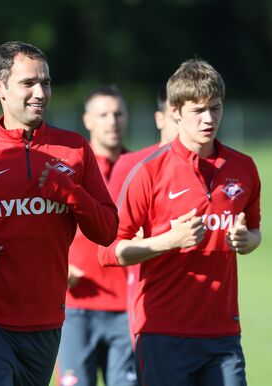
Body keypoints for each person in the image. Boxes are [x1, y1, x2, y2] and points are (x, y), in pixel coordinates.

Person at [0, 41, 118, 386]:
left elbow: (107, 231)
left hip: (45, 320)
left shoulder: (74, 149)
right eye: (28, 84)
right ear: (0, 88)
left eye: (46, 82)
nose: (40, 93)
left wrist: (71, 193)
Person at [99, 59, 261, 386]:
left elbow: (255, 231)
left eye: (216, 108)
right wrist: (169, 241)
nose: (209, 119)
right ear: (175, 111)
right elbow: (109, 252)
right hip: (162, 332)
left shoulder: (244, 168)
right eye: (198, 110)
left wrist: (248, 241)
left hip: (223, 333)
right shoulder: (148, 171)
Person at [58, 85, 136, 386]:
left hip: (127, 307)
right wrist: (56, 267)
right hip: (77, 305)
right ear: (88, 120)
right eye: (103, 114)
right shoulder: (69, 169)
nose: (112, 121)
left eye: (118, 114)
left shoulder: (141, 168)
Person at [105, 85, 179, 348]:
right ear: (161, 118)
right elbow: (111, 232)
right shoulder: (134, 165)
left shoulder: (208, 168)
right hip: (141, 288)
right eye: (176, 117)